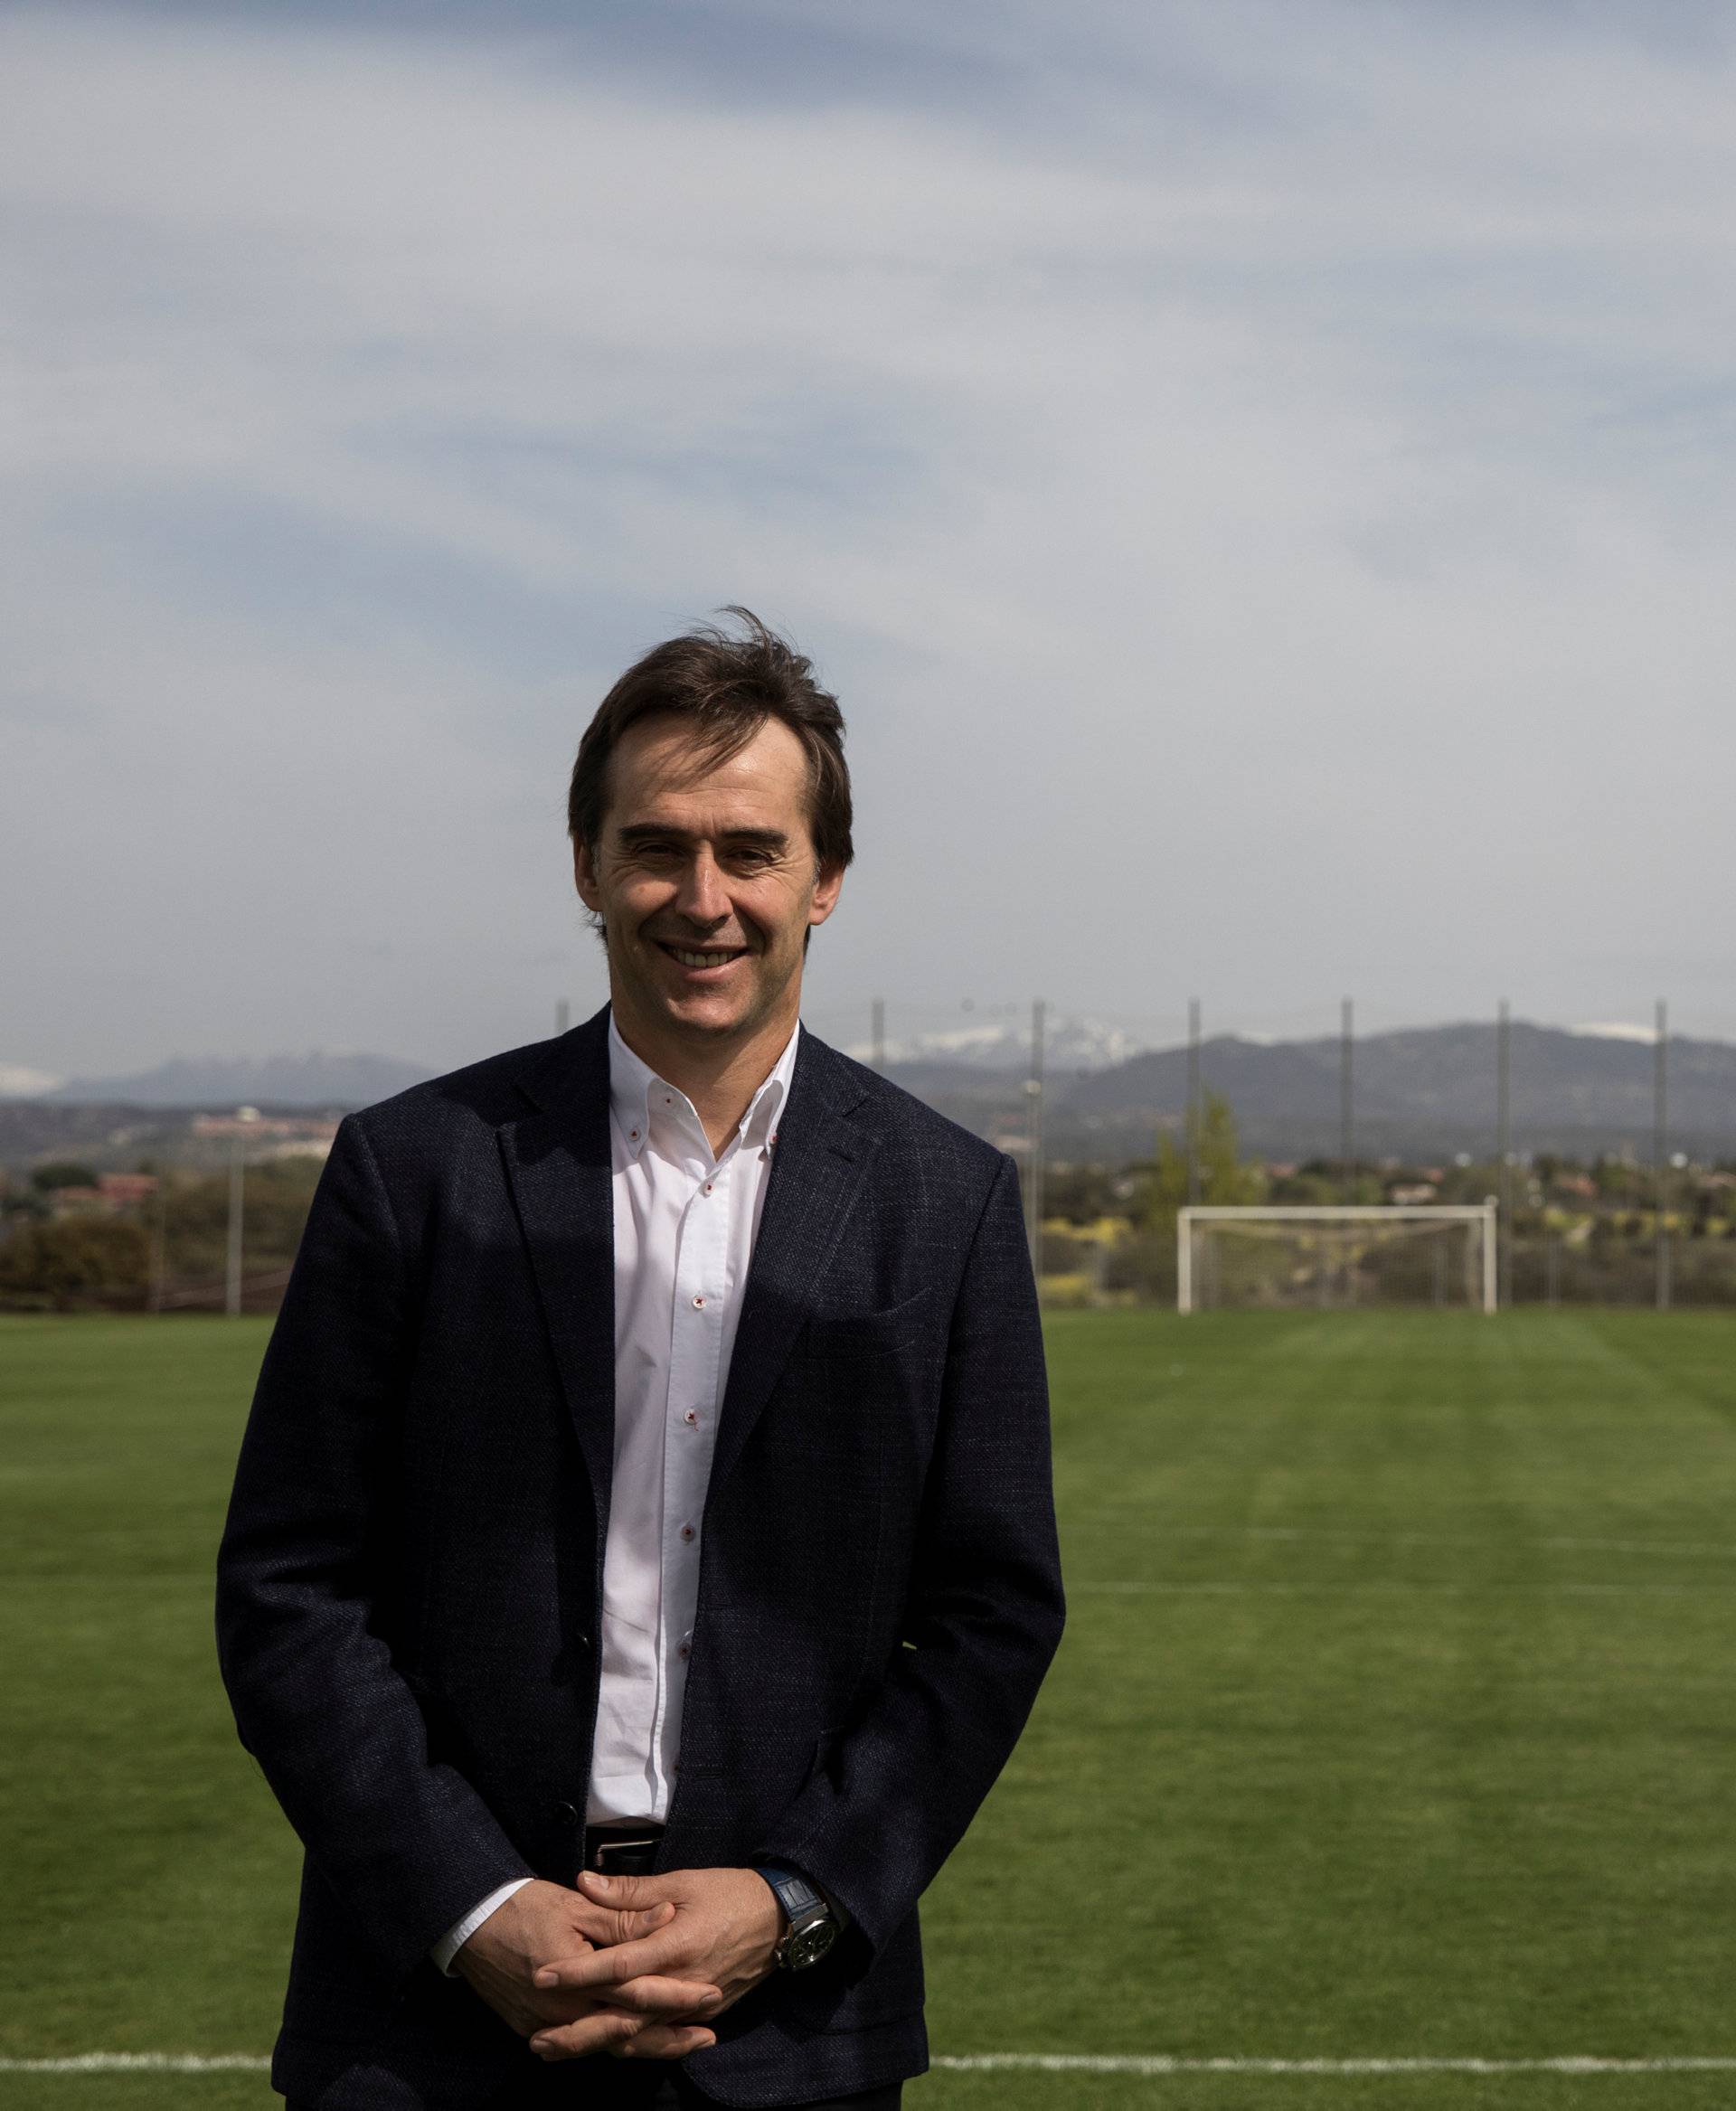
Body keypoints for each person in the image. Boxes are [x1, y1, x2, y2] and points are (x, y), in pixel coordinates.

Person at [216, 609, 1064, 2111]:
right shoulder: (414, 1169)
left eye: (751, 850)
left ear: (827, 880)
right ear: (587, 865)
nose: (703, 897)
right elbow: (291, 1585)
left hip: (786, 2030)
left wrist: (797, 1896)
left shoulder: (947, 1199)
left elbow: (992, 1613)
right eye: (657, 845)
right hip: (428, 2027)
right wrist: (471, 1905)